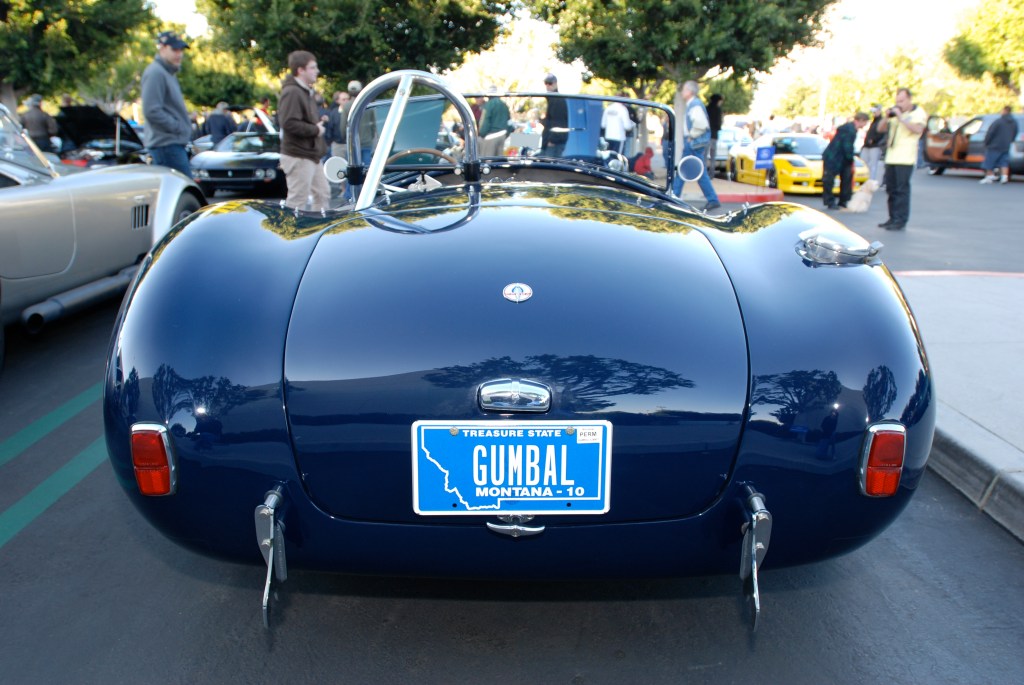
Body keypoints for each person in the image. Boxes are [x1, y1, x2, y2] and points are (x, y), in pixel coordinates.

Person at [277, 50, 330, 212]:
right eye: (313, 67)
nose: (317, 71)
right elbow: (289, 123)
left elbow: (297, 120)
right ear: (300, 70)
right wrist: (315, 129)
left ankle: (317, 227)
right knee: (297, 201)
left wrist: (317, 123)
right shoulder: (292, 92)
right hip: (298, 155)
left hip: (310, 154)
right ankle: (291, 229)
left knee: (322, 195)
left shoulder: (304, 91)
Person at [140, 31, 193, 177]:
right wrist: (178, 127)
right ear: (162, 48)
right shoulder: (156, 73)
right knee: (184, 189)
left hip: (171, 145)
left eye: (181, 50)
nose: (179, 54)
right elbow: (151, 111)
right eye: (174, 49)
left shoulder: (167, 73)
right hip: (166, 145)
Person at [876, 88, 928, 230]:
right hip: (891, 157)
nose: (899, 104)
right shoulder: (895, 114)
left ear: (909, 99)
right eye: (897, 101)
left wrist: (901, 118)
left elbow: (918, 129)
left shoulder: (918, 113)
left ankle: (900, 220)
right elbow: (880, 129)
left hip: (905, 158)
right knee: (891, 189)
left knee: (901, 190)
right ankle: (892, 217)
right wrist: (886, 117)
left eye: (902, 101)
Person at [671, 80, 720, 210]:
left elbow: (701, 124)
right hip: (695, 144)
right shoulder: (694, 104)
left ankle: (674, 197)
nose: (682, 92)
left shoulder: (694, 105)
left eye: (684, 89)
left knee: (684, 170)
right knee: (696, 171)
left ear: (690, 91)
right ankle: (712, 199)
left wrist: (691, 136)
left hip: (693, 144)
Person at [822, 112, 869, 210]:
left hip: (834, 156)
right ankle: (839, 201)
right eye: (865, 122)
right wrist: (850, 158)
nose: (865, 125)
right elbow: (847, 146)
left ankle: (835, 201)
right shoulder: (850, 130)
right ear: (861, 120)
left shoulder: (848, 128)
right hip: (836, 157)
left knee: (833, 180)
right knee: (839, 180)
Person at [979, 106, 1019, 184]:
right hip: (1006, 145)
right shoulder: (1014, 122)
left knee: (989, 161)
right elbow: (1015, 133)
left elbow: (990, 133)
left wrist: (986, 142)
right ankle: (1004, 177)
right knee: (1004, 162)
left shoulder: (998, 121)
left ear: (1004, 111)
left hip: (994, 145)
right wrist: (1010, 140)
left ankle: (989, 176)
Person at [540, 73, 568, 157]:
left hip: (555, 143)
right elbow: (551, 120)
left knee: (550, 163)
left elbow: (559, 122)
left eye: (550, 83)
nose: (548, 86)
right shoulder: (552, 99)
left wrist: (552, 140)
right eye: (546, 83)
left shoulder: (557, 100)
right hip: (552, 141)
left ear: (555, 83)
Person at [478, 86, 511, 156]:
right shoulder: (504, 105)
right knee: (499, 160)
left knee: (487, 159)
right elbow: (508, 120)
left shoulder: (489, 105)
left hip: (491, 137)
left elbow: (485, 121)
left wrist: (482, 134)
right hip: (503, 136)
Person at [860, 105, 887, 184]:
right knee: (863, 163)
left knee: (873, 166)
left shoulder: (881, 121)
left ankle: (871, 182)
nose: (874, 113)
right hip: (867, 145)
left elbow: (881, 133)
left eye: (875, 112)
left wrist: (874, 140)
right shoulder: (874, 121)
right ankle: (863, 181)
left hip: (875, 145)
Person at [706, 93, 723, 175]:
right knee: (713, 156)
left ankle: (703, 173)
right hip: (714, 135)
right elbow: (719, 123)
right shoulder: (718, 110)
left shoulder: (706, 109)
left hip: (705, 135)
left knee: (704, 156)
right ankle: (711, 173)